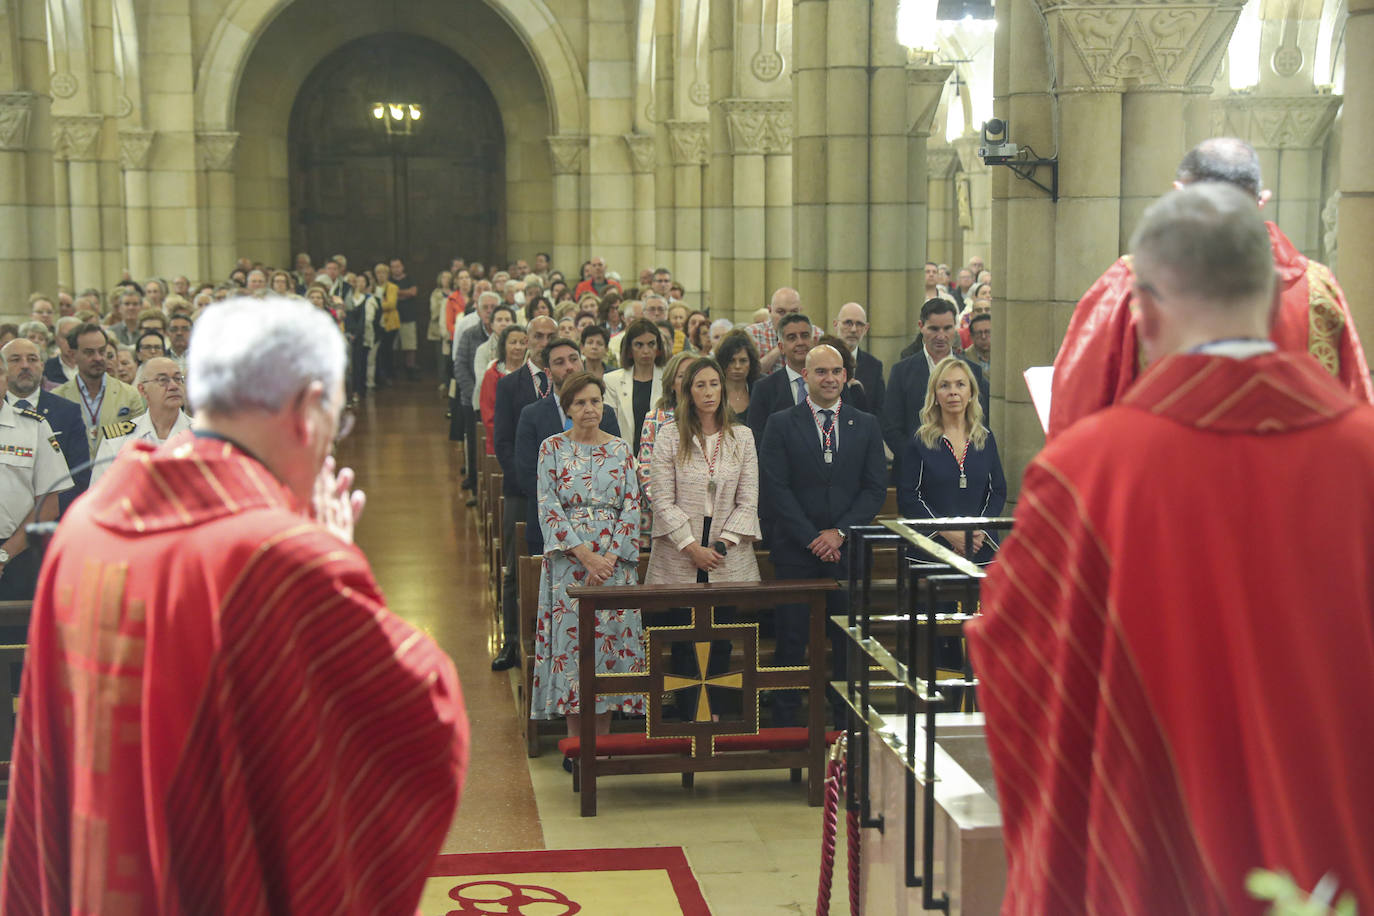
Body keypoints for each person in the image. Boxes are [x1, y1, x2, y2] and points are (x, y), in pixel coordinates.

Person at [968, 181, 1374, 914]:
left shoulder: (1088, 474)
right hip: (1338, 863)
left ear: (1144, 311)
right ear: (1273, 299)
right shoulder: (1365, 461)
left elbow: (1018, 663)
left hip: (1151, 876)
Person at [1, 297, 469, 913]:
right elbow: (423, 722)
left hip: (104, 879)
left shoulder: (86, 527)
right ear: (307, 408)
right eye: (337, 419)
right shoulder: (282, 557)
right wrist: (334, 558)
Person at [1049, 136, 1374, 439]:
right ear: (1262, 200)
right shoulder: (1318, 290)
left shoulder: (1127, 285)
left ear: (1179, 192)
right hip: (1300, 493)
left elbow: (1075, 409)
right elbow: (1357, 406)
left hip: (1156, 487)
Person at [759, 344, 887, 726]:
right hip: (796, 552)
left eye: (836, 371)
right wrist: (813, 537)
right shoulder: (782, 423)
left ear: (845, 376)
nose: (829, 379)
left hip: (847, 554)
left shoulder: (865, 424)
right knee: (791, 641)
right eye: (821, 372)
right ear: (807, 376)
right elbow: (775, 487)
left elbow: (875, 488)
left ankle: (847, 723)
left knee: (848, 642)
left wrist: (839, 534)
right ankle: (785, 724)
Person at [646, 357, 761, 720]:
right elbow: (661, 498)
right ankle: (687, 718)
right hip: (681, 554)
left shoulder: (741, 436)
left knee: (721, 639)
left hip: (726, 556)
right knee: (682, 640)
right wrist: (691, 546)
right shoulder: (669, 435)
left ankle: (716, 717)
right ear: (687, 392)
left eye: (714, 384)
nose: (709, 392)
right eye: (700, 385)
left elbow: (749, 499)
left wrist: (722, 545)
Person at [529, 371, 643, 735]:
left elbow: (632, 505)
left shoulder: (621, 448)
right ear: (568, 408)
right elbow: (548, 506)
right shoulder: (551, 448)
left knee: (610, 650)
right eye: (580, 403)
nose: (589, 409)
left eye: (595, 401)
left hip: (615, 567)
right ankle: (578, 744)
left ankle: (604, 743)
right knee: (573, 650)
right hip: (569, 565)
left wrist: (608, 559)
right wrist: (585, 556)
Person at [515, 336, 624, 556]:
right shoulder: (531, 415)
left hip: (603, 533)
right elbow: (527, 476)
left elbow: (616, 471)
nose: (569, 367)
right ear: (547, 372)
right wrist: (571, 523)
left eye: (574, 359)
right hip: (549, 530)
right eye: (560, 362)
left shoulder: (606, 413)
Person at [491, 315, 558, 670]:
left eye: (551, 336)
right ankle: (512, 642)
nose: (544, 342)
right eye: (538, 336)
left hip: (564, 494)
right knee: (516, 569)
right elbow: (502, 440)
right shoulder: (510, 384)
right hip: (522, 490)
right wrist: (530, 484)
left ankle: (553, 640)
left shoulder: (566, 383)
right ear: (527, 339)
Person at [896, 355, 1005, 562]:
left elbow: (997, 491)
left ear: (971, 392)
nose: (953, 392)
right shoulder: (920, 440)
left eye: (960, 385)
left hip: (979, 546)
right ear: (935, 395)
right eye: (944, 386)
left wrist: (978, 532)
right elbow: (909, 496)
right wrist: (948, 532)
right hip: (932, 549)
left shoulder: (985, 438)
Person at [883, 299, 989, 476]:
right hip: (914, 472)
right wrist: (919, 459)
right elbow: (890, 426)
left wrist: (962, 458)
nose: (941, 336)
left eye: (947, 328)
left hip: (962, 471)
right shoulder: (902, 372)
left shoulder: (973, 372)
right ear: (921, 326)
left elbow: (982, 421)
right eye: (934, 329)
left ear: (955, 327)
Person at [3, 337, 87, 514]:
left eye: (32, 359)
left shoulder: (67, 412)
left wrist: (43, 515)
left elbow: (80, 476)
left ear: (42, 365)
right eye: (15, 359)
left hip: (50, 522)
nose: (25, 365)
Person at [90, 355, 193, 485]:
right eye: (163, 380)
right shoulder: (117, 439)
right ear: (142, 390)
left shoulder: (203, 434)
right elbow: (100, 494)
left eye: (178, 379)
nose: (173, 386)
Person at [53, 322, 146, 455]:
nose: (98, 358)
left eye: (102, 351)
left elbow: (138, 442)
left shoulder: (129, 395)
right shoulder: (58, 397)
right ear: (73, 355)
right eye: (89, 352)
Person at [635, 351, 698, 538]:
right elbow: (646, 469)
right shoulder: (655, 418)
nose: (688, 381)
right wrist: (669, 512)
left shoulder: (713, 419)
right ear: (671, 383)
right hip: (662, 516)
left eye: (693, 375)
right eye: (681, 376)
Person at [747, 313, 816, 449]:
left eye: (805, 335)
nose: (800, 342)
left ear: (813, 341)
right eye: (792, 338)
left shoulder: (829, 383)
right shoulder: (764, 389)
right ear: (781, 347)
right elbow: (757, 440)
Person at [603, 317, 665, 453]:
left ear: (658, 348)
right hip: (622, 457)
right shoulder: (611, 381)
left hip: (661, 458)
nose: (646, 350)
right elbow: (609, 428)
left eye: (651, 344)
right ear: (629, 349)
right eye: (639, 345)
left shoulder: (668, 380)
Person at [479, 323, 528, 455]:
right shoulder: (493, 374)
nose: (518, 347)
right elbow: (488, 415)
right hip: (501, 444)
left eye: (522, 343)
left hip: (530, 443)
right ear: (504, 345)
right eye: (513, 342)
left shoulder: (533, 374)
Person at [833, 302, 884, 414]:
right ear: (836, 324)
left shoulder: (874, 366)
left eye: (859, 324)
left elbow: (879, 411)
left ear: (866, 329)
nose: (853, 330)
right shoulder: (821, 360)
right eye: (848, 323)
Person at [743, 287, 804, 375]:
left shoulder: (814, 334)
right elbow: (751, 372)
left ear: (800, 311)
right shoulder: (753, 333)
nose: (788, 317)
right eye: (781, 312)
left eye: (793, 312)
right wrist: (782, 345)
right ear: (770, 310)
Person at [715, 330, 759, 424]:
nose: (737, 366)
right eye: (731, 361)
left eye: (743, 361)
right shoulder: (713, 390)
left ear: (751, 363)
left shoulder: (760, 389)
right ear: (723, 362)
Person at [373, 261, 400, 386]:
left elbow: (391, 304)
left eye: (383, 272)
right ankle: (379, 375)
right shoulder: (373, 287)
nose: (380, 275)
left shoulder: (392, 287)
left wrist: (377, 305)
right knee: (378, 352)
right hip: (376, 324)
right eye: (378, 273)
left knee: (387, 350)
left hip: (390, 323)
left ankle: (389, 375)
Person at [43, 315, 81, 388]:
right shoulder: (46, 368)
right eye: (65, 337)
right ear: (56, 339)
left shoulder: (92, 367)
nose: (70, 342)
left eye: (75, 337)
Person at [966, 313, 991, 379]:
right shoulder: (964, 358)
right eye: (979, 333)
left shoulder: (1005, 357)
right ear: (972, 337)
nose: (983, 336)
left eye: (987, 332)